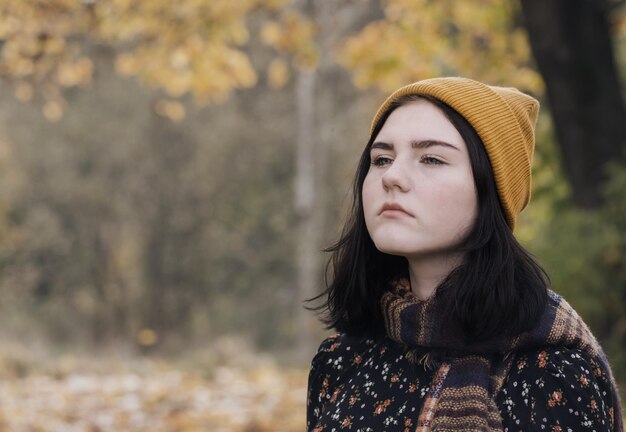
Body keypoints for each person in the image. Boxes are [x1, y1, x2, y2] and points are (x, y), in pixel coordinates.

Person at [305, 77, 624, 432]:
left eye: (431, 158)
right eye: (381, 159)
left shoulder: (552, 372)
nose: (391, 176)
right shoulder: (341, 361)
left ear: (491, 189)